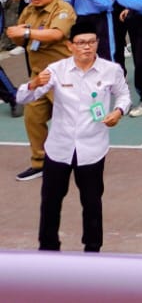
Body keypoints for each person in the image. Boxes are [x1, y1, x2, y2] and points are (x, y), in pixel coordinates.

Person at [15, 20, 128, 252]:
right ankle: (48, 248)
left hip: (92, 149)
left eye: (91, 42)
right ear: (70, 46)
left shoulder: (111, 70)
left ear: (97, 43)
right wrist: (33, 83)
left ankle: (92, 249)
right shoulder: (57, 70)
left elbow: (124, 95)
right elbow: (22, 98)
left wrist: (118, 111)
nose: (86, 47)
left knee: (92, 202)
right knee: (50, 202)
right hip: (59, 148)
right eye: (80, 43)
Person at [8, 0, 77, 181]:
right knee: (33, 117)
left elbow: (56, 34)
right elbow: (19, 39)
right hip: (39, 76)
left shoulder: (63, 10)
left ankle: (81, 157)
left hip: (64, 76)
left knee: (71, 120)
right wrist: (21, 35)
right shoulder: (28, 10)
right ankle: (41, 162)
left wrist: (27, 33)